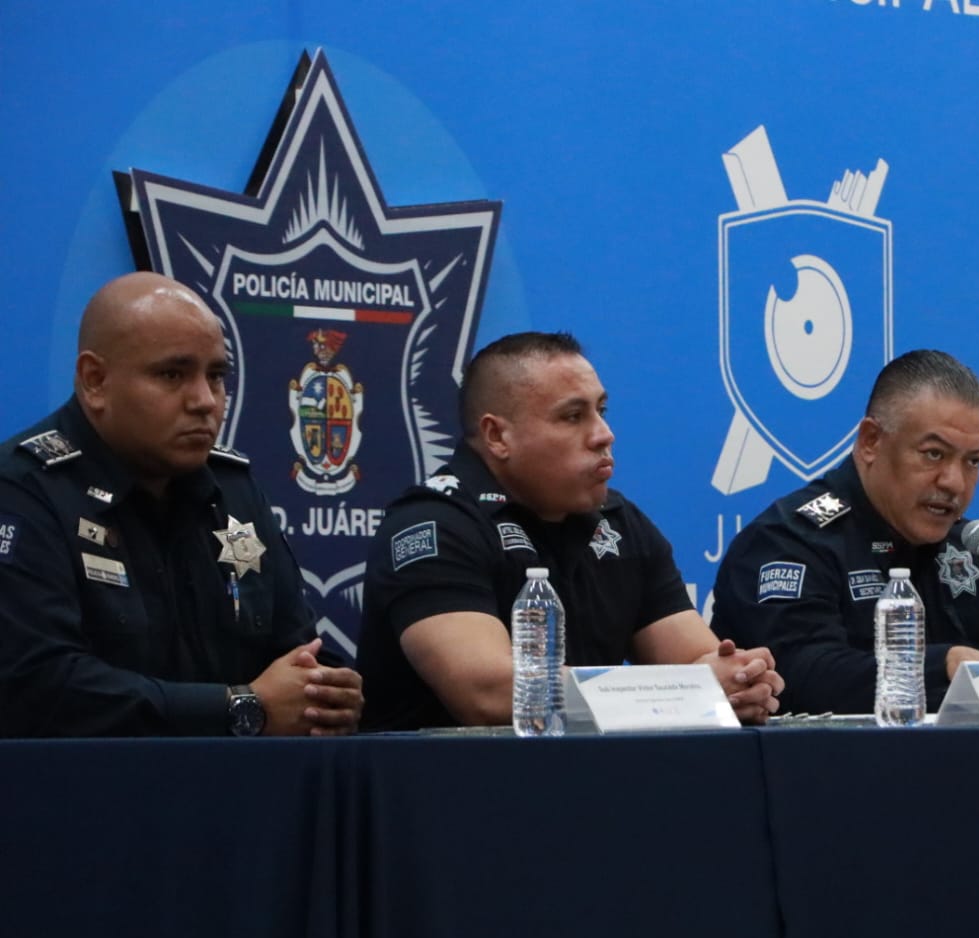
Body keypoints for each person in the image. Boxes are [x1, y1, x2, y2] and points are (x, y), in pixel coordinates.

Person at [358, 331, 783, 730]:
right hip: (451, 780)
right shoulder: (433, 524)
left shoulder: (620, 523)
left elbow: (697, 661)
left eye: (602, 411)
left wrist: (739, 681)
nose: (604, 435)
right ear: (497, 435)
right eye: (573, 416)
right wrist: (686, 692)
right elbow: (488, 691)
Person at [0, 272, 364, 737]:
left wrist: (326, 694)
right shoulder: (24, 492)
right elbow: (38, 686)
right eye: (172, 375)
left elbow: (296, 651)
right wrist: (240, 709)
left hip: (239, 780)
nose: (204, 401)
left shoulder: (233, 489)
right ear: (95, 381)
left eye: (216, 376)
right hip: (83, 782)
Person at [711, 349, 979, 715]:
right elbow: (799, 676)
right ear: (871, 441)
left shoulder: (971, 550)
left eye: (973, 461)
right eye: (934, 454)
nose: (954, 482)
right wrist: (941, 668)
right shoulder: (789, 541)